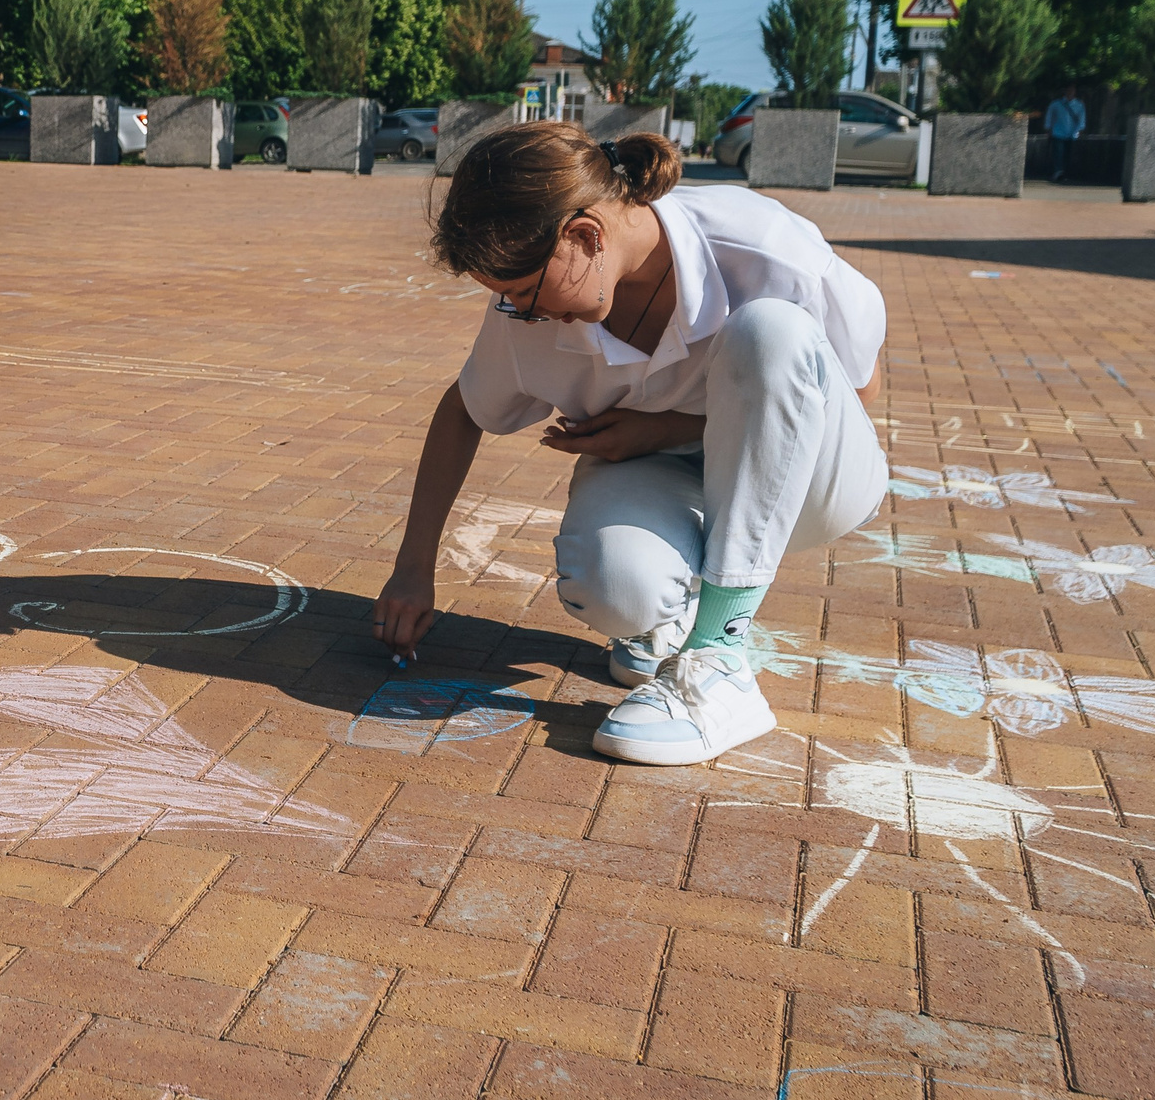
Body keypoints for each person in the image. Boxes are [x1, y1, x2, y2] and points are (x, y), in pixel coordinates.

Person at [372, 122, 888, 766]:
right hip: (667, 474)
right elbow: (463, 410)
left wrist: (671, 427)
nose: (522, 315)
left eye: (525, 296)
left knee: (770, 332)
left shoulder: (764, 248)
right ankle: (665, 618)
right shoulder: (528, 311)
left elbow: (850, 390)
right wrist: (414, 570)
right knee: (613, 585)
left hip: (812, 486)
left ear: (585, 236)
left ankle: (719, 655)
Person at [1043, 86, 1086, 183]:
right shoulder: (1056, 104)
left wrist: (1080, 130)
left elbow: (1081, 119)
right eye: (1068, 89)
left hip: (1072, 133)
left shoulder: (1079, 105)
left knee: (1067, 154)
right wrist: (1048, 129)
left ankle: (1064, 173)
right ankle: (1058, 172)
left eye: (1072, 90)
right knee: (1058, 153)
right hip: (1058, 132)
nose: (1070, 91)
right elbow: (1049, 117)